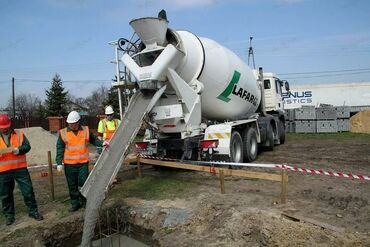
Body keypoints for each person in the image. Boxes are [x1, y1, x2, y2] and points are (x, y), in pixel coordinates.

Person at [56, 111, 108, 212]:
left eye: (73, 123)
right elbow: (59, 148)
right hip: (69, 165)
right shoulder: (63, 133)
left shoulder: (85, 130)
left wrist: (102, 143)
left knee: (84, 183)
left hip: (82, 163)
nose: (71, 125)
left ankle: (85, 201)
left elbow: (93, 140)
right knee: (72, 185)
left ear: (78, 122)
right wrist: (58, 162)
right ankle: (75, 203)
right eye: (69, 123)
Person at [0, 114, 43, 225]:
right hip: (3, 171)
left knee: (28, 191)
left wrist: (18, 150)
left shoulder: (19, 134)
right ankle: (9, 216)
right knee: (6, 194)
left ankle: (33, 211)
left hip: (20, 169)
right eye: (2, 127)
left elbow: (27, 146)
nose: (4, 129)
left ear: (9, 125)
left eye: (6, 127)